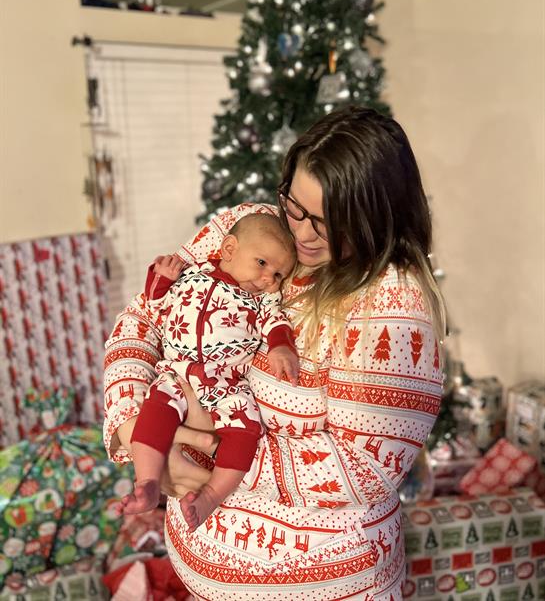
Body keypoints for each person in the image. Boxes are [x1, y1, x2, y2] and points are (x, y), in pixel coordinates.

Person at [104, 106, 445, 600]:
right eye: (295, 206)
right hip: (199, 576)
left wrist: (199, 449)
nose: (302, 235)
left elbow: (362, 474)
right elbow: (142, 320)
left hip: (324, 587)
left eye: (329, 223)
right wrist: (130, 424)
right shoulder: (248, 227)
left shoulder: (394, 303)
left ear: (375, 216)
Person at [121, 214, 298, 532]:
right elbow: (157, 304)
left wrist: (280, 346)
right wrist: (161, 277)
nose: (269, 278)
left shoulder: (261, 301)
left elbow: (277, 322)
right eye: (262, 263)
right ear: (229, 248)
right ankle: (146, 482)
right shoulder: (193, 275)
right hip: (176, 371)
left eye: (278, 274)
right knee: (154, 410)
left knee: (245, 431)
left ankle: (212, 495)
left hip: (225, 380)